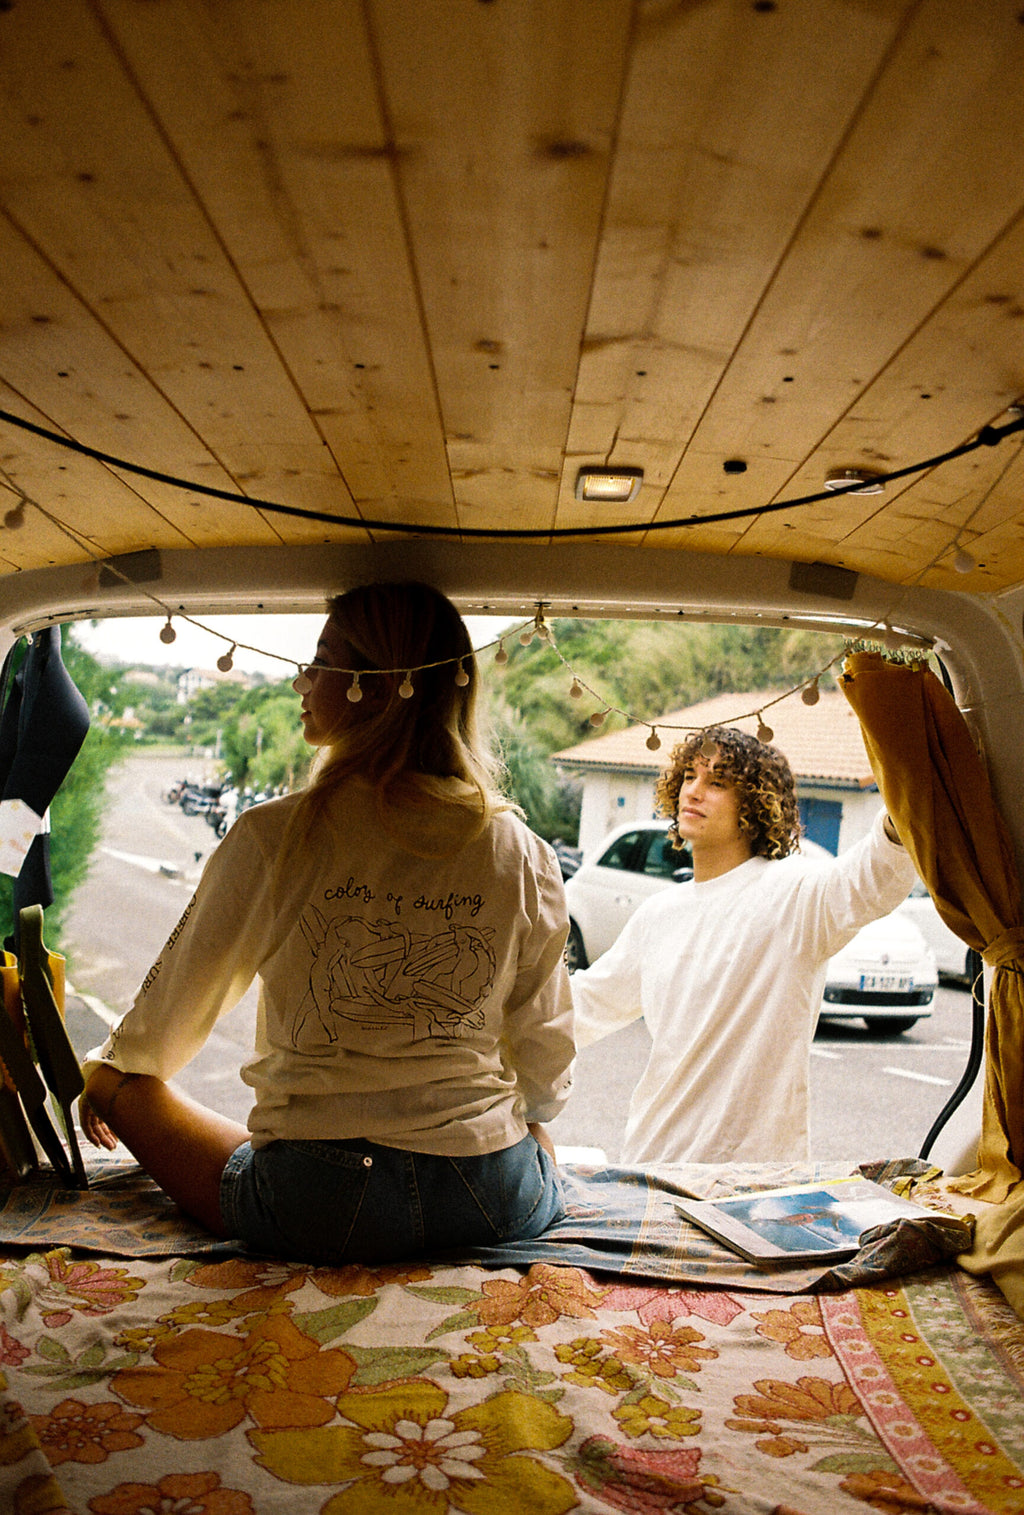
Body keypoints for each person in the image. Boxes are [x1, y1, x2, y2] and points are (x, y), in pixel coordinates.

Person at [79, 583, 574, 1263]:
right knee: (537, 1134)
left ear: (377, 685)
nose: (299, 681)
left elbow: (157, 1037)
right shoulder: (524, 853)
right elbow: (546, 1064)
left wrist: (106, 1073)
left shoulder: (272, 836)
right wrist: (526, 1130)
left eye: (319, 661)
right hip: (488, 1195)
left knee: (117, 1084)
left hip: (316, 1201)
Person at [567, 725, 917, 1165]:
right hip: (652, 1161)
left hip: (754, 1180)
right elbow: (586, 1003)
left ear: (754, 804)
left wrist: (908, 790)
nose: (694, 792)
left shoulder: (794, 894)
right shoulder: (660, 914)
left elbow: (873, 877)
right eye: (690, 777)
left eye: (717, 782)